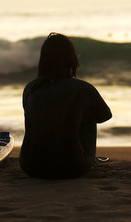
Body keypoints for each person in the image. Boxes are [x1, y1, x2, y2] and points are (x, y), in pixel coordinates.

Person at [19, 32, 112, 179]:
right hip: (71, 166)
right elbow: (105, 116)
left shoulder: (30, 88)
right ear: (71, 58)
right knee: (88, 115)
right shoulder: (82, 88)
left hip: (30, 166)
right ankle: (85, 156)